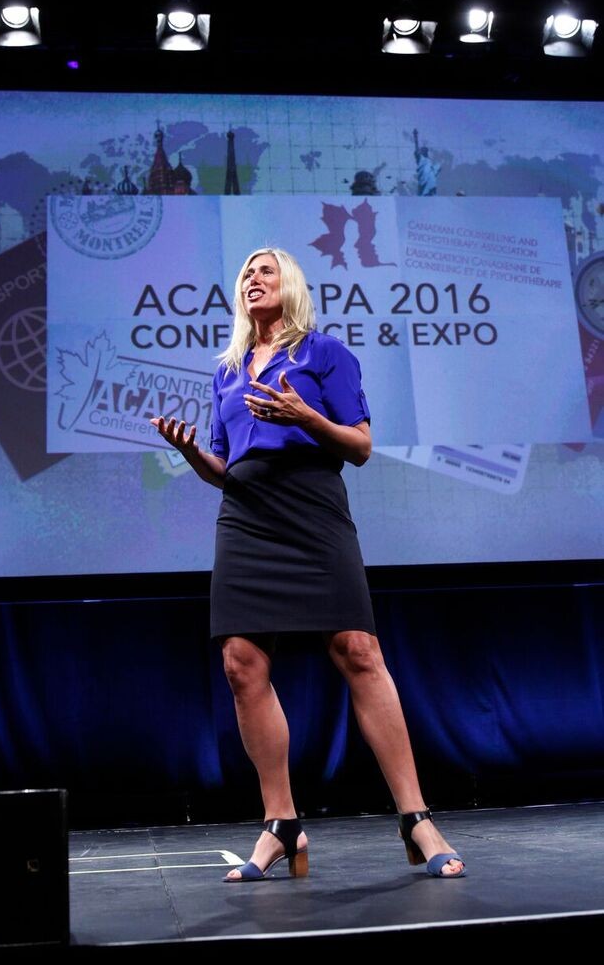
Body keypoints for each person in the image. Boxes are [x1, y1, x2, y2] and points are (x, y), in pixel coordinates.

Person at [151, 247, 465, 881]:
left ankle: (415, 817)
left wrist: (305, 416)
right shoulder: (228, 371)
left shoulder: (324, 354)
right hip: (245, 516)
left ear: (289, 285)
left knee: (357, 649)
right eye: (245, 273)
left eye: (265, 271)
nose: (252, 280)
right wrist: (188, 452)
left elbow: (362, 446)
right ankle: (281, 825)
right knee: (241, 664)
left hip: (313, 507)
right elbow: (225, 464)